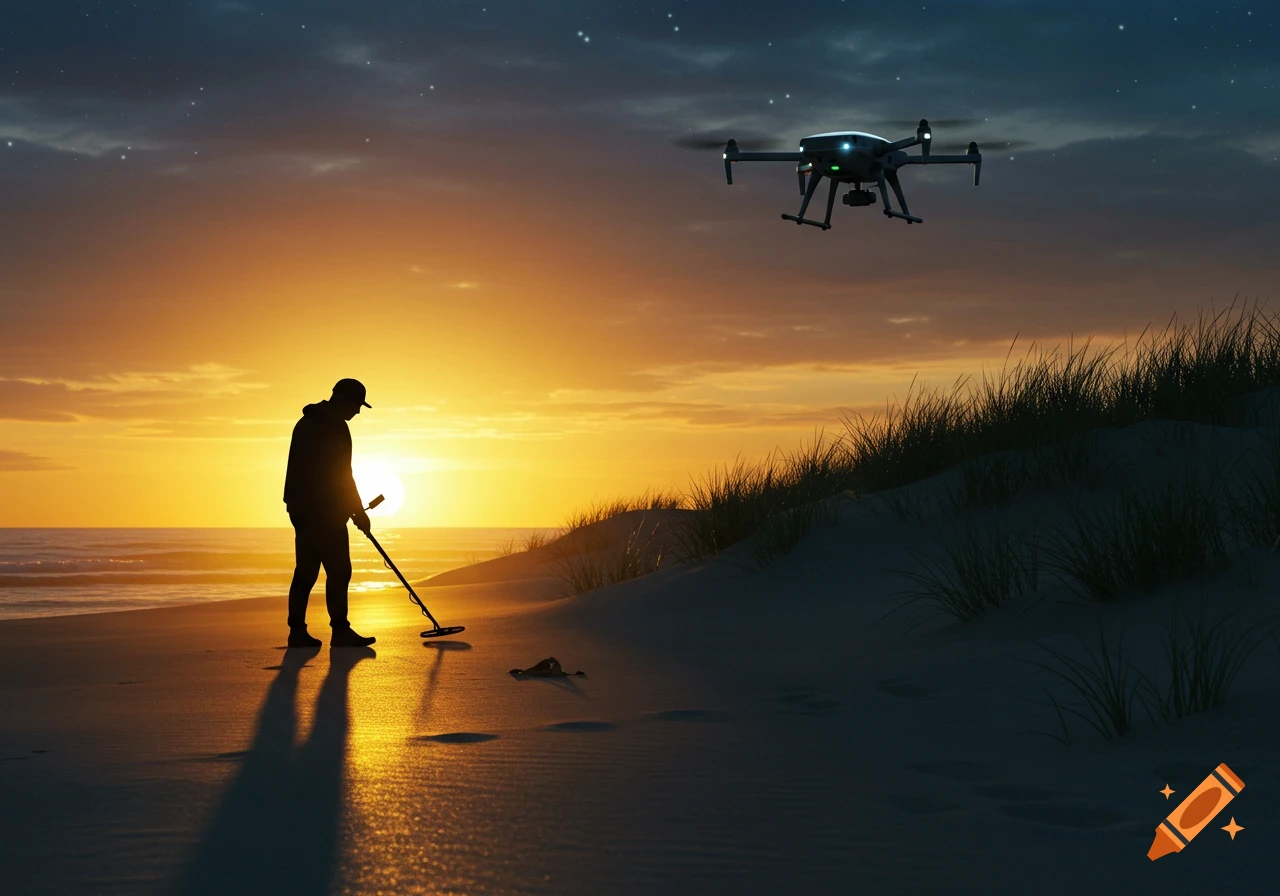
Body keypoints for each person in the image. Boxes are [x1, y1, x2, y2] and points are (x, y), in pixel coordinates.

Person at [282, 378, 377, 648]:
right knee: (339, 571)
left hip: (302, 509)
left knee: (306, 571)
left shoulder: (307, 422)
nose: (357, 412)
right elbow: (342, 476)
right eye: (356, 405)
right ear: (343, 399)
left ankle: (297, 632)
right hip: (323, 512)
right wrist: (357, 511)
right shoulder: (334, 427)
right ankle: (340, 631)